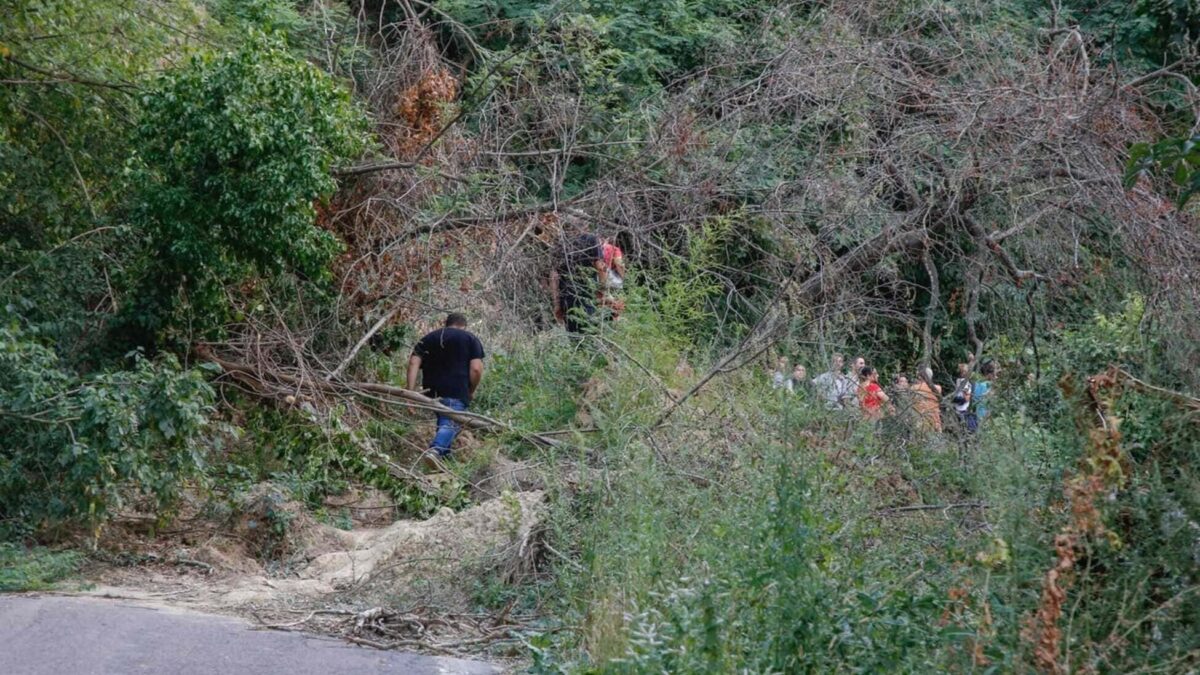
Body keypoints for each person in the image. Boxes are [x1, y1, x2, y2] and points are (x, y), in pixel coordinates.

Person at [406, 313, 485, 458]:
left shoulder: (429, 338)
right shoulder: (470, 339)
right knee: (451, 422)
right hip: (457, 389)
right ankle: (435, 451)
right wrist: (471, 390)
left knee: (444, 421)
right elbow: (476, 369)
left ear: (446, 323)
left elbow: (413, 363)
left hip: (432, 391)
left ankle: (443, 461)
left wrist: (410, 393)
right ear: (463, 325)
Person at [551, 233, 606, 333]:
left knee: (573, 336)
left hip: (567, 299)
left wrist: (557, 304)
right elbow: (600, 267)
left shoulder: (560, 242)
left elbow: (554, 276)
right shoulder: (591, 239)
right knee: (590, 334)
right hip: (588, 296)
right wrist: (603, 291)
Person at [909, 366, 943, 433]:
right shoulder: (938, 388)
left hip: (919, 420)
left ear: (920, 376)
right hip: (935, 420)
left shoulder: (914, 388)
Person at [973, 360, 997, 424]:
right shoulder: (987, 385)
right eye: (993, 374)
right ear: (989, 374)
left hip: (978, 413)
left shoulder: (977, 383)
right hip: (985, 414)